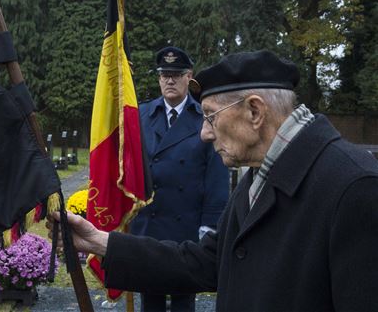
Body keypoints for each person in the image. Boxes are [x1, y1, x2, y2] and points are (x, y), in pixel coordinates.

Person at [49, 50, 378, 312]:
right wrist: (99, 242)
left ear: (254, 112)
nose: (204, 134)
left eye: (209, 117)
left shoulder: (355, 189)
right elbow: (204, 262)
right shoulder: (259, 178)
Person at [130, 46, 228, 312]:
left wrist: (209, 228)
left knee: (184, 300)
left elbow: (217, 180)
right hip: (148, 225)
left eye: (176, 74)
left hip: (186, 226)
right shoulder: (141, 115)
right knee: (150, 299)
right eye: (164, 75)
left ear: (189, 77)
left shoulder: (205, 118)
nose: (169, 80)